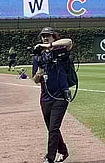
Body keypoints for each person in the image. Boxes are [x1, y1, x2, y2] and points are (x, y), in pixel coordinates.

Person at [31, 27, 74, 163]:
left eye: (48, 35)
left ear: (54, 37)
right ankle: (63, 151)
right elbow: (35, 79)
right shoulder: (39, 57)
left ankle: (49, 158)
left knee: (54, 128)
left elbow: (68, 42)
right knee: (51, 128)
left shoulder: (60, 52)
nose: (45, 37)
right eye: (43, 36)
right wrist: (40, 73)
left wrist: (48, 46)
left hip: (61, 96)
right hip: (45, 97)